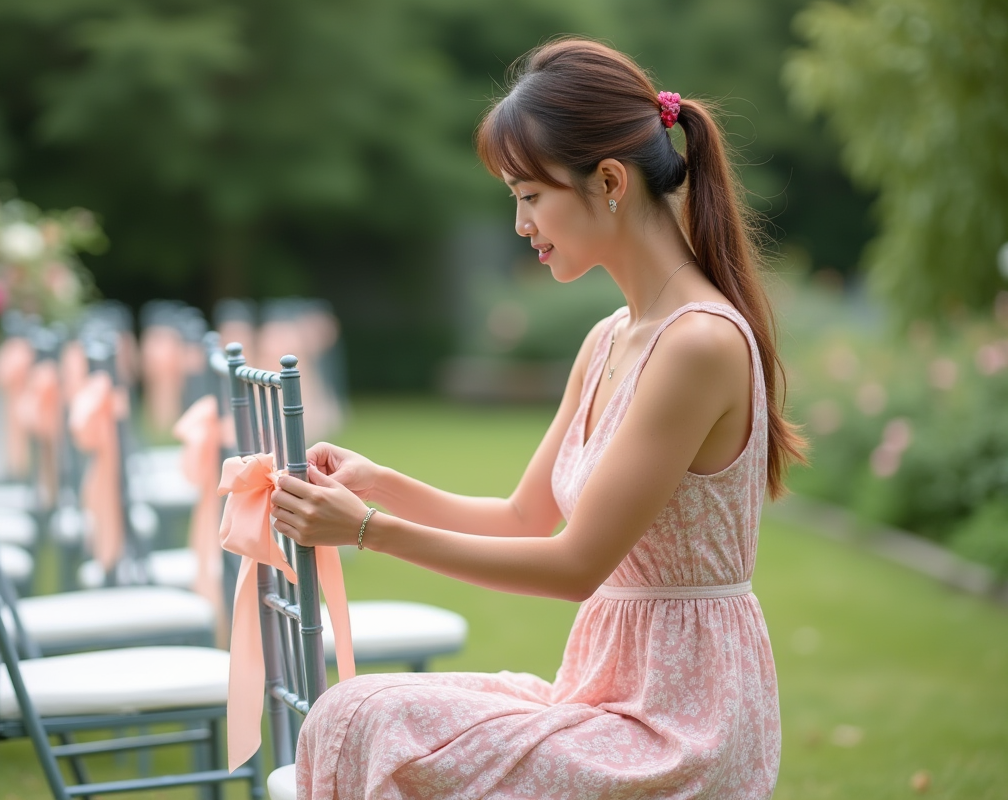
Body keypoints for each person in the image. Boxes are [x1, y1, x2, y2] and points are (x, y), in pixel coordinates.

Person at [269, 37, 805, 800]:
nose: (521, 223)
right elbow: (524, 516)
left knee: (372, 723)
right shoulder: (609, 339)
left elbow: (574, 565)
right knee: (351, 714)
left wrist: (367, 531)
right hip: (601, 693)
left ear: (609, 181)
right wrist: (376, 483)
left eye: (528, 195)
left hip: (681, 726)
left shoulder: (698, 343)